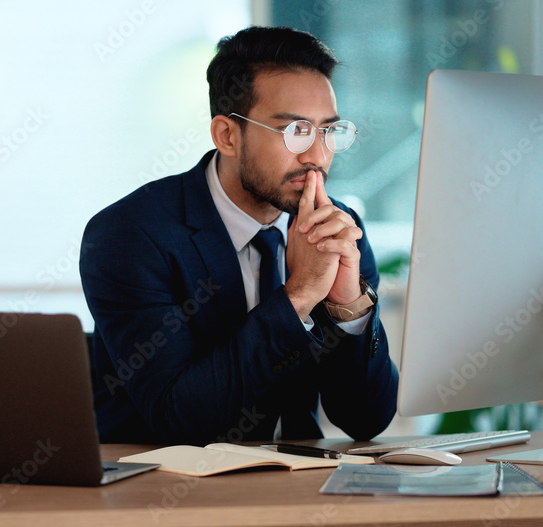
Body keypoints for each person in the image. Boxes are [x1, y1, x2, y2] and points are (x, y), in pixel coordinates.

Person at [80, 26, 397, 445]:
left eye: (327, 131)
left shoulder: (337, 226)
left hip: (298, 484)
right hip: (163, 488)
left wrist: (347, 306)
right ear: (228, 135)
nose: (318, 156)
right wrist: (298, 296)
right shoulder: (130, 235)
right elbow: (181, 421)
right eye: (296, 131)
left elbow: (366, 420)